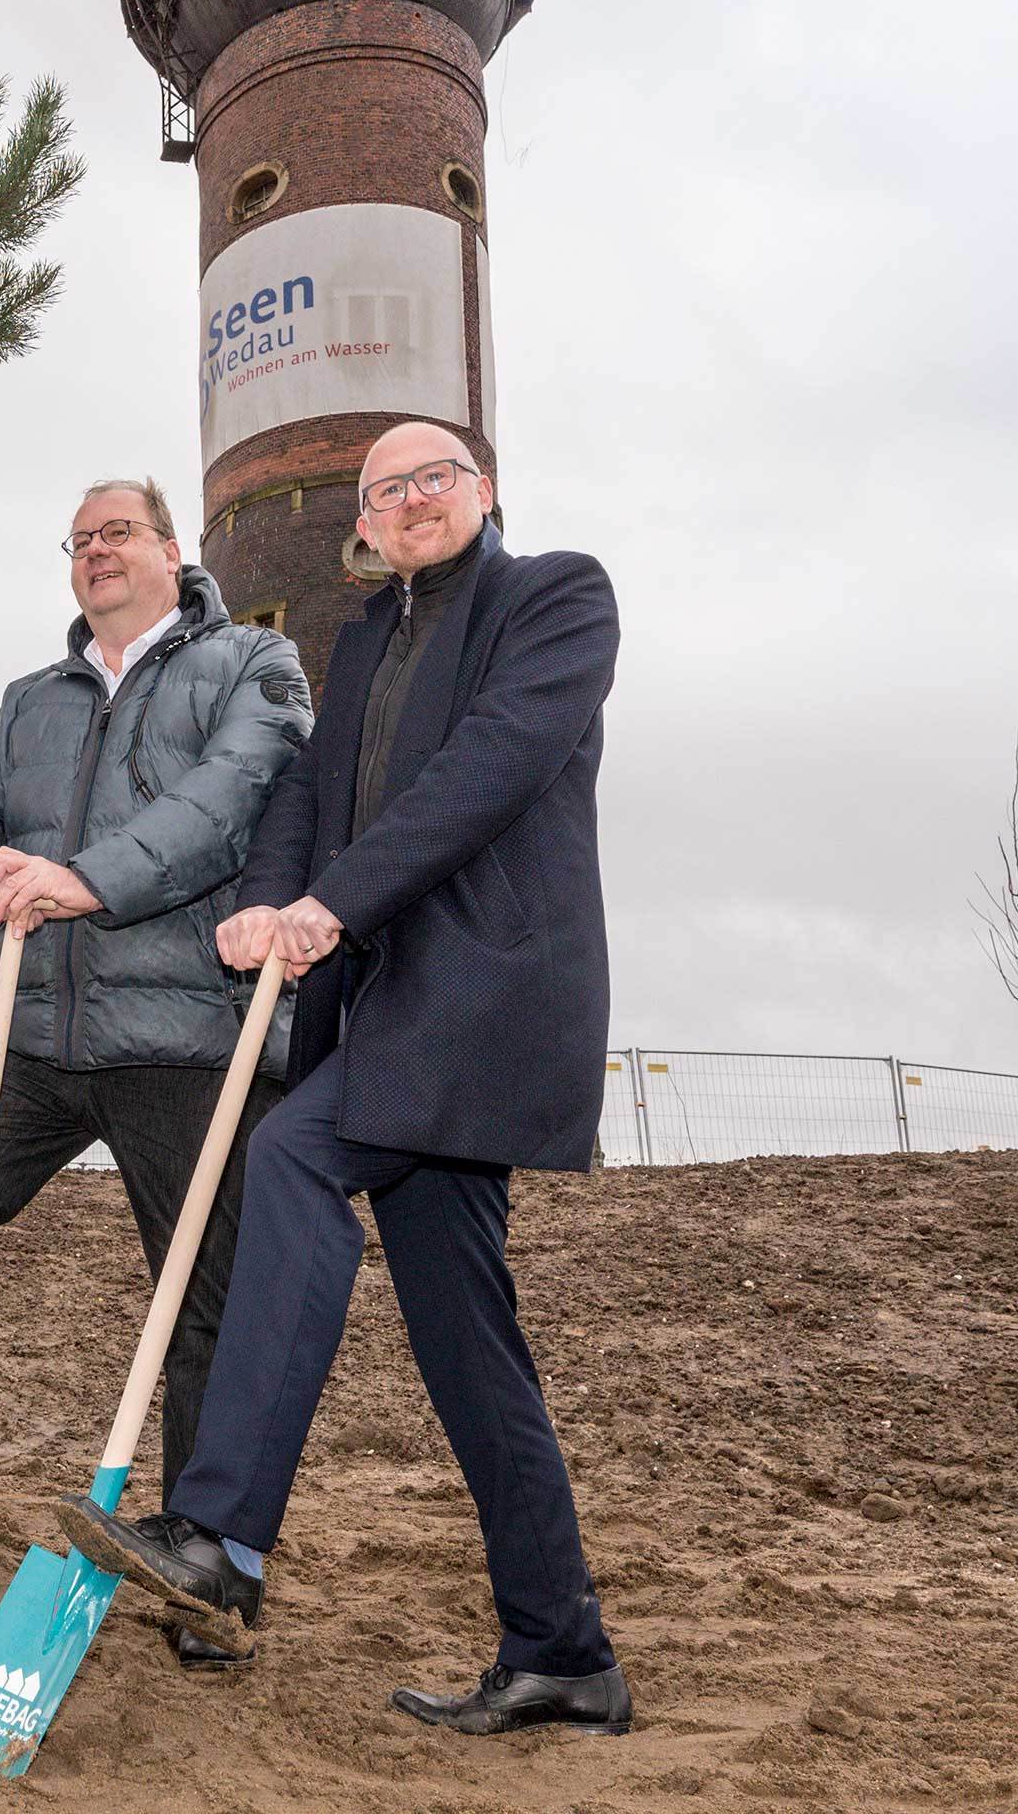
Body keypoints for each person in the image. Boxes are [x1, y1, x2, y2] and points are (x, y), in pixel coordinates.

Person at [59, 421, 634, 1735]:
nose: (409, 499)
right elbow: (307, 802)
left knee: (294, 1154)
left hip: (480, 1001)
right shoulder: (368, 635)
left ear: (485, 495)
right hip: (388, 1011)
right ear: (363, 526)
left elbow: (483, 779)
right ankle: (565, 1651)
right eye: (384, 490)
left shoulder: (558, 599)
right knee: (467, 1346)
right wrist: (268, 907)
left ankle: (221, 1537)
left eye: (435, 477)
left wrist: (330, 908)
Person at [0, 479, 311, 1645]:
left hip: (181, 1032)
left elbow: (223, 806)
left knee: (207, 1278)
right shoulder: (32, 700)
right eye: (81, 539)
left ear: (173, 549)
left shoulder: (254, 663)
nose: (97, 552)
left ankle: (206, 1564)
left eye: (120, 533)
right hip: (36, 1030)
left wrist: (87, 876)